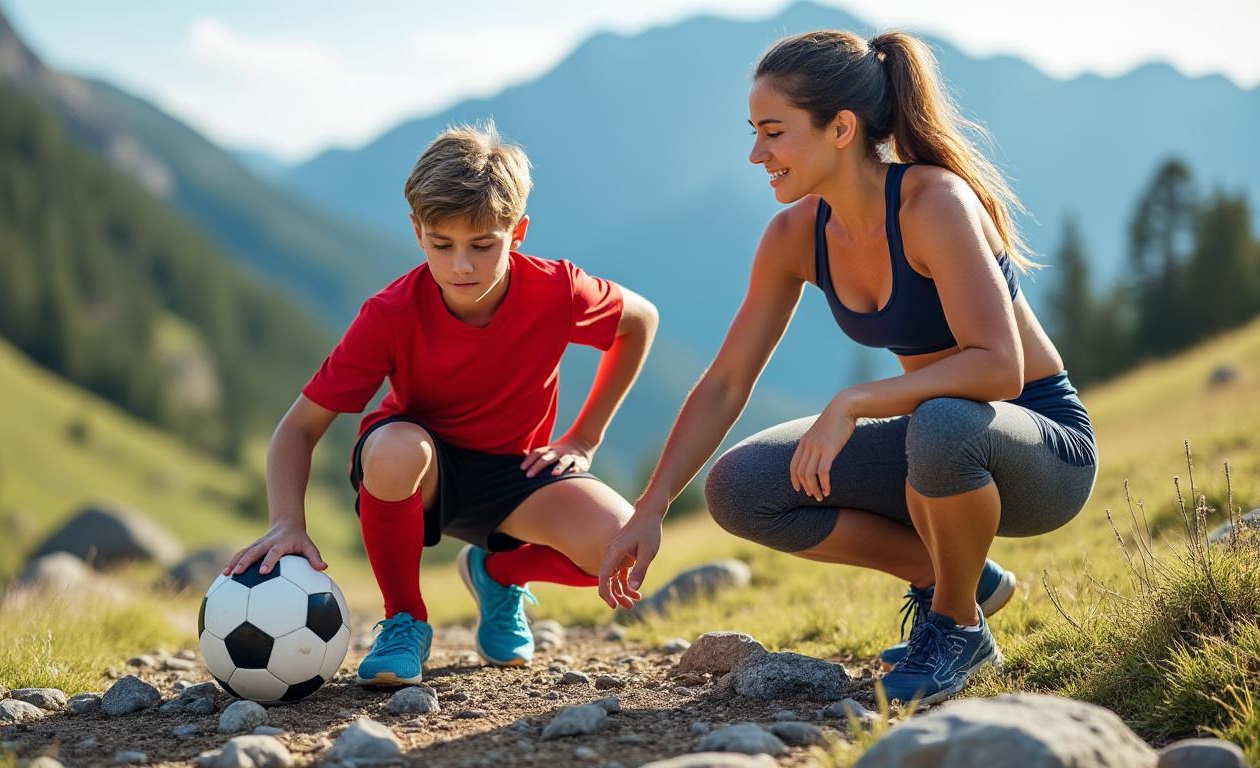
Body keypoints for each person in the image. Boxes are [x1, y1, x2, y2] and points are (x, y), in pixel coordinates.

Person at [599, 30, 1097, 705]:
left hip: (1042, 449)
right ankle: (954, 575)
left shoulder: (933, 204)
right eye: (753, 132)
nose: (756, 153)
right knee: (741, 487)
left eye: (773, 132)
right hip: (937, 439)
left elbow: (1000, 369)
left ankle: (956, 626)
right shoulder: (794, 237)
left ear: (840, 127)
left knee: (944, 423)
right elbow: (725, 382)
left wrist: (854, 401)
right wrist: (651, 505)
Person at [223, 121, 659, 686]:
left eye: (483, 245)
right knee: (394, 449)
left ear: (517, 231)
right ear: (416, 230)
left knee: (623, 545)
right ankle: (405, 619)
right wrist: (287, 522)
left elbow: (640, 321)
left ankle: (497, 572)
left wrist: (585, 436)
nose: (461, 266)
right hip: (421, 469)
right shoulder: (391, 314)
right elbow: (298, 429)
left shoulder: (558, 291)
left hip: (516, 472)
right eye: (441, 244)